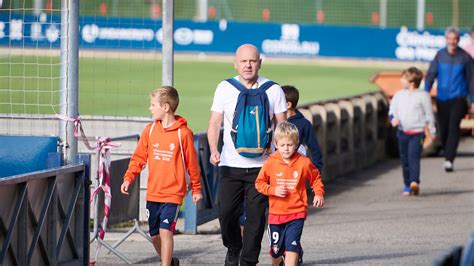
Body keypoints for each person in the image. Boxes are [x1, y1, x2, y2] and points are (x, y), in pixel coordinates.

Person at [207, 44, 287, 266]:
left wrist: (281, 158)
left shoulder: (273, 89)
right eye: (243, 61)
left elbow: (282, 126)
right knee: (225, 213)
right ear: (235, 63)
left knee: (255, 220)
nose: (248, 65)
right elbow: (214, 122)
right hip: (230, 165)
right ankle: (233, 247)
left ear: (260, 62)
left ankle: (248, 260)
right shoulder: (224, 87)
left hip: (262, 166)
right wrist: (214, 149)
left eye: (252, 61)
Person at [121, 86, 202, 266]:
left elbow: (192, 165)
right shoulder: (149, 131)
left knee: (166, 231)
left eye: (152, 105)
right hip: (154, 193)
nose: (150, 109)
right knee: (155, 235)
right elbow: (138, 158)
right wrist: (128, 177)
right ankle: (170, 261)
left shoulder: (183, 133)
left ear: (165, 107)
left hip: (173, 194)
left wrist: (196, 189)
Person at [255, 121, 325, 266]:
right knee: (276, 252)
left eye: (290, 145)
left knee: (291, 247)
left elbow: (315, 177)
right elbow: (259, 183)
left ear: (297, 144)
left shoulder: (304, 162)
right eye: (282, 145)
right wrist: (273, 190)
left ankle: (294, 251)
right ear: (276, 144)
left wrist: (318, 193)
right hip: (276, 215)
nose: (286, 149)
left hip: (296, 213)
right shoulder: (270, 162)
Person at [425, 27, 474, 172]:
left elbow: (472, 80)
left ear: (458, 40)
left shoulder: (465, 57)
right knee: (444, 129)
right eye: (449, 39)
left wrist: (473, 100)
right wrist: (425, 92)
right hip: (442, 98)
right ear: (446, 40)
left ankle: (449, 159)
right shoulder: (440, 56)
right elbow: (431, 74)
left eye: (455, 39)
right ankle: (447, 152)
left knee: (454, 127)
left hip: (458, 98)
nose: (452, 42)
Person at [389, 67, 436, 196]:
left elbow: (429, 115)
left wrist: (432, 131)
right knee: (404, 159)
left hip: (417, 133)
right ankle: (407, 183)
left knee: (413, 157)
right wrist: (394, 119)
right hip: (402, 132)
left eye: (403, 77)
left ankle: (414, 181)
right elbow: (392, 110)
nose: (401, 80)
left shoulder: (423, 96)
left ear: (411, 81)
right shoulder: (399, 95)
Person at [282, 85, 323, 171]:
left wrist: (315, 171)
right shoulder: (275, 121)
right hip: (278, 170)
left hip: (296, 170)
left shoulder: (304, 124)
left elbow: (315, 149)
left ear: (288, 104)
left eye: (278, 101)